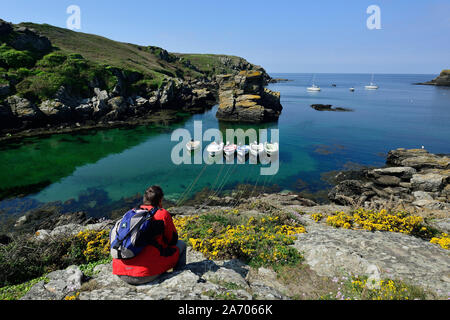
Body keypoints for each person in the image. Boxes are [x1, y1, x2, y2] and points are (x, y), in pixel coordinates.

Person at [112, 185, 186, 285]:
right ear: (160, 200)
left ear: (144, 199)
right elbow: (172, 240)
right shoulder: (162, 214)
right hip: (145, 275)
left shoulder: (130, 213)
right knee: (181, 245)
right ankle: (180, 277)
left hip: (120, 272)